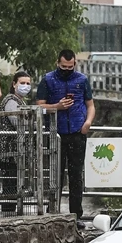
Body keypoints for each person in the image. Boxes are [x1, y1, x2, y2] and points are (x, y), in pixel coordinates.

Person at [38, 50, 96, 218]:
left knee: (76, 175)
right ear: (58, 63)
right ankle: (53, 211)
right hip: (56, 134)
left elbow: (90, 105)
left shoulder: (82, 80)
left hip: (77, 132)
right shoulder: (48, 79)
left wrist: (88, 122)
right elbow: (39, 106)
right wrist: (57, 106)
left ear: (75, 64)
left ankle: (76, 214)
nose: (67, 69)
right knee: (56, 175)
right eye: (64, 66)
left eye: (70, 67)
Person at [0, 71, 32, 215]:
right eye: (22, 83)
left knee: (12, 181)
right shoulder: (11, 101)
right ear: (14, 84)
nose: (25, 86)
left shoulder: (19, 101)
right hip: (8, 149)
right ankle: (8, 212)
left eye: (28, 83)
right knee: (10, 182)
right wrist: (33, 123)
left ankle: (10, 210)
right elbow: (17, 122)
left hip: (13, 150)